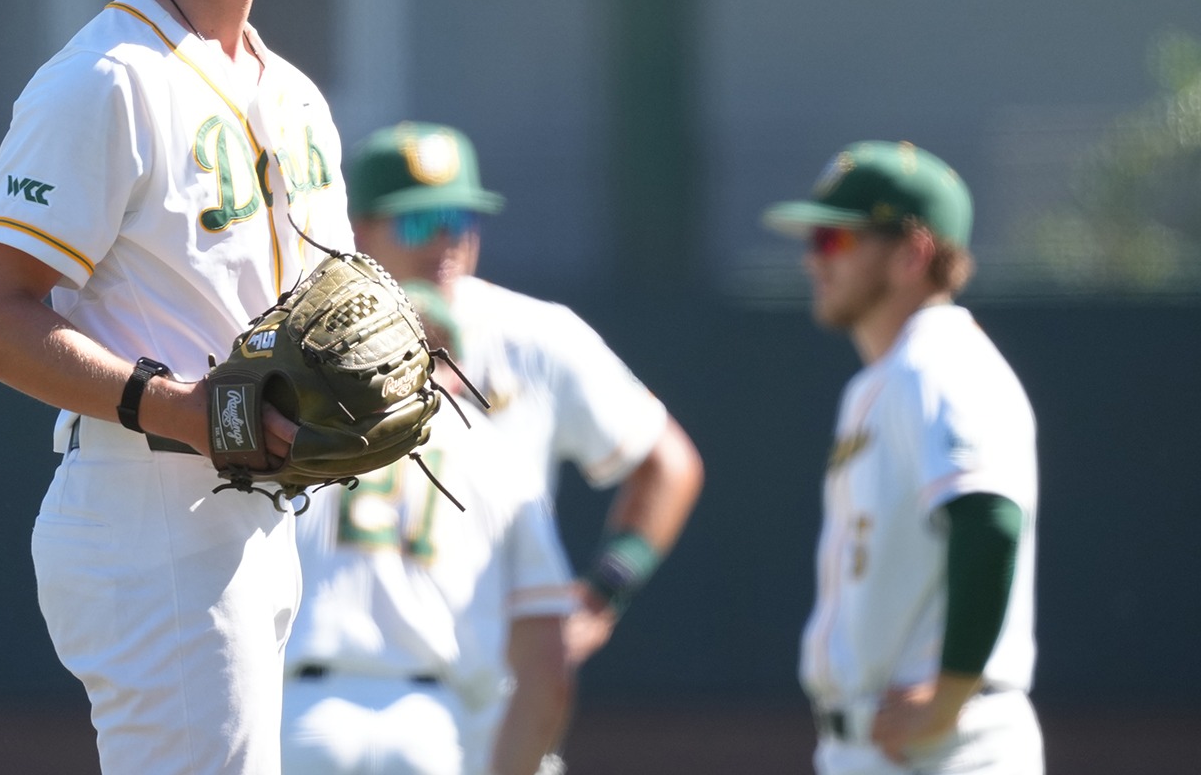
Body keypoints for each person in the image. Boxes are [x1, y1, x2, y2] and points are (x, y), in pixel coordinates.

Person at [0, 0, 347, 775]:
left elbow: (331, 311)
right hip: (151, 507)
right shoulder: (107, 79)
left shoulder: (295, 96)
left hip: (263, 513)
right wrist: (181, 408)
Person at [343, 122, 705, 760]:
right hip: (340, 676)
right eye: (420, 223)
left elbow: (668, 462)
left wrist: (603, 592)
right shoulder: (310, 346)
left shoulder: (534, 335)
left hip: (494, 689)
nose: (448, 242)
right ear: (358, 231)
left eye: (461, 220)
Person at [763, 141, 1041, 775]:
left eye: (835, 239)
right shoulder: (887, 379)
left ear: (913, 254)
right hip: (877, 747)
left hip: (945, 749)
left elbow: (990, 521)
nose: (813, 259)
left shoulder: (941, 363)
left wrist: (948, 700)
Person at [281, 283, 575, 775]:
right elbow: (548, 659)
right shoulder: (497, 458)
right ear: (455, 368)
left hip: (304, 716)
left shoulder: (301, 436)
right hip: (430, 725)